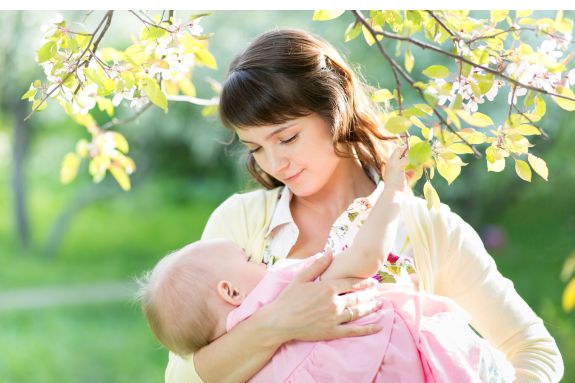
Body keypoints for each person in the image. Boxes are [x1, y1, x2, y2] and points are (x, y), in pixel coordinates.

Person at [165, 29, 564, 383]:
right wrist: (278, 323)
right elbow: (185, 375)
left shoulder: (428, 230)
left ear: (334, 108)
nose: (273, 164)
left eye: (286, 138)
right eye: (256, 148)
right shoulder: (242, 223)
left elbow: (536, 352)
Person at [140, 148, 516, 382]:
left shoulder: (242, 362)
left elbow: (530, 346)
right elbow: (364, 259)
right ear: (229, 291)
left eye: (287, 138)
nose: (274, 161)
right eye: (249, 258)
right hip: (423, 362)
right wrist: (391, 196)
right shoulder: (284, 287)